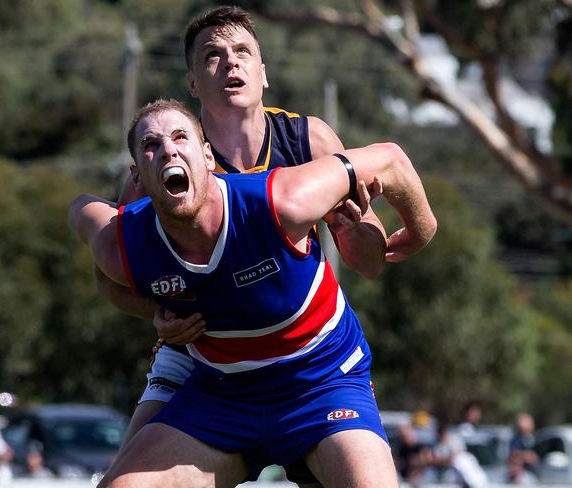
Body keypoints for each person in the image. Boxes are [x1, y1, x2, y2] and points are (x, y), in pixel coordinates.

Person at [69, 98, 437, 487]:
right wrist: (154, 310)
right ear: (137, 177)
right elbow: (81, 214)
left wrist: (421, 229)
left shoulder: (278, 200)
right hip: (221, 394)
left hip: (322, 383)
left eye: (180, 137)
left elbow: (390, 159)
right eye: (151, 145)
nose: (168, 150)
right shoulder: (123, 242)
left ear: (208, 157)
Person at [101, 8, 389, 484]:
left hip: (306, 359)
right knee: (120, 477)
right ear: (193, 83)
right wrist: (153, 314)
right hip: (202, 356)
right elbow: (110, 276)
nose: (230, 64)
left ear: (263, 73)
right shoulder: (161, 164)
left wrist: (354, 228)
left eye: (242, 53)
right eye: (213, 56)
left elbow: (370, 262)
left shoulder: (309, 140)